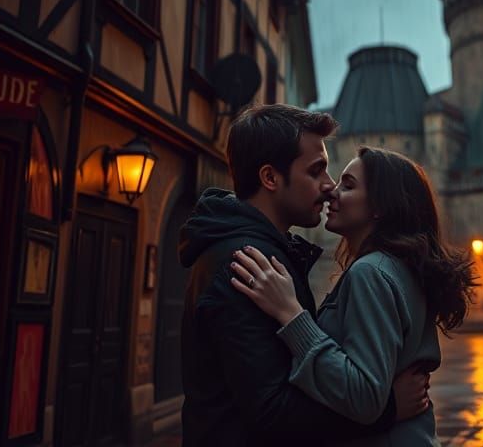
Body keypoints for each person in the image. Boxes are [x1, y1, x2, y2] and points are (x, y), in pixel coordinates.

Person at [178, 105, 429, 447]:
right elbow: (273, 412)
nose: (330, 188)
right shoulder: (247, 261)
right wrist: (387, 409)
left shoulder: (272, 254)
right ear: (270, 178)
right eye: (317, 172)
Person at [231, 147, 478, 446]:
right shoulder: (399, 268)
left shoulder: (371, 273)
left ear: (379, 206)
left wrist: (292, 315)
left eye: (347, 186)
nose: (331, 192)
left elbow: (364, 397)